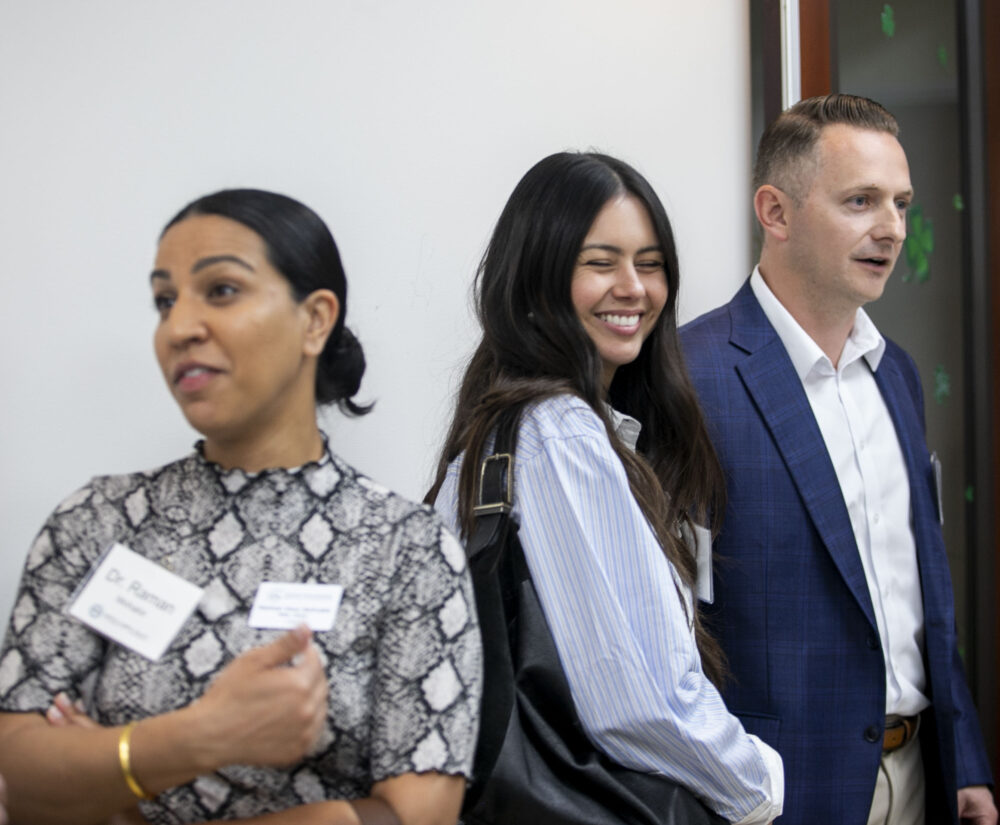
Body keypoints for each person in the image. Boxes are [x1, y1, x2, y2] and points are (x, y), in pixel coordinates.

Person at [0, 189, 481, 825]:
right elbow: (23, 781)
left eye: (220, 290)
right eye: (165, 300)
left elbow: (416, 816)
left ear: (315, 320)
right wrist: (206, 735)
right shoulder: (96, 524)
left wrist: (111, 781)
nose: (179, 327)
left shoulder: (405, 546)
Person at [428, 151, 784, 824]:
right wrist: (760, 784)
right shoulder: (561, 431)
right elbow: (639, 699)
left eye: (650, 264)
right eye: (601, 263)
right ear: (538, 277)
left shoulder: (500, 430)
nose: (634, 287)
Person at [679, 94, 996, 825]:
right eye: (861, 201)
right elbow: (668, 634)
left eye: (902, 203)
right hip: (775, 794)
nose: (891, 228)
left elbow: (917, 593)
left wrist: (965, 758)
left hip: (921, 775)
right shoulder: (688, 377)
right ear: (776, 212)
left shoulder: (898, 374)